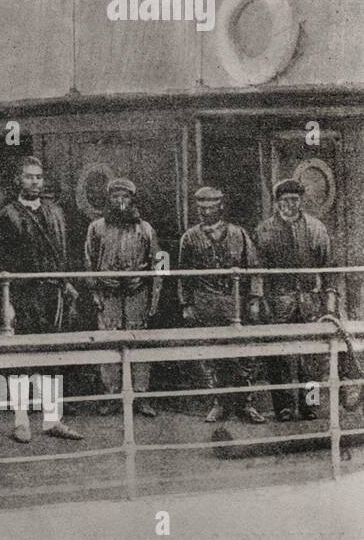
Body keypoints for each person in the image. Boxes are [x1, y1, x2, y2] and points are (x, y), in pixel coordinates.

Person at [0, 156, 83, 443]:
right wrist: (6, 301)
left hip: (53, 295)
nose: (35, 182)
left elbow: (61, 252)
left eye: (38, 177)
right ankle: (21, 421)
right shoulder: (5, 216)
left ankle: (51, 420)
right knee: (21, 358)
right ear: (18, 180)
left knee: (51, 357)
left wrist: (65, 283)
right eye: (29, 177)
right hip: (22, 294)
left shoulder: (55, 212)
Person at [177, 186, 266, 425]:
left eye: (211, 207)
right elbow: (184, 274)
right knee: (212, 355)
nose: (206, 212)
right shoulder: (190, 238)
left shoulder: (239, 234)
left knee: (242, 354)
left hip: (235, 303)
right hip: (205, 302)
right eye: (201, 208)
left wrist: (255, 298)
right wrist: (187, 304)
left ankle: (246, 404)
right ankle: (219, 403)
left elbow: (254, 267)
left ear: (221, 207)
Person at [253, 178, 332, 422]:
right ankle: (284, 409)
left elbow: (328, 266)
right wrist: (256, 299)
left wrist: (330, 297)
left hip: (310, 302)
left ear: (301, 201)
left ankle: (310, 406)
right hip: (278, 302)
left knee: (312, 358)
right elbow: (257, 268)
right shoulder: (264, 230)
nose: (291, 205)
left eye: (295, 200)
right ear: (277, 203)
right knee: (280, 356)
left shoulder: (316, 228)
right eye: (286, 200)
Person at [83, 178, 161, 416]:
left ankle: (141, 395)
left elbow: (160, 263)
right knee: (109, 343)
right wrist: (94, 293)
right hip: (108, 294)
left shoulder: (146, 229)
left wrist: (155, 296)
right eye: (116, 197)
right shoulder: (96, 228)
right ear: (109, 200)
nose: (120, 202)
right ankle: (111, 395)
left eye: (125, 197)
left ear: (132, 199)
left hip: (138, 293)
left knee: (138, 342)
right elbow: (88, 261)